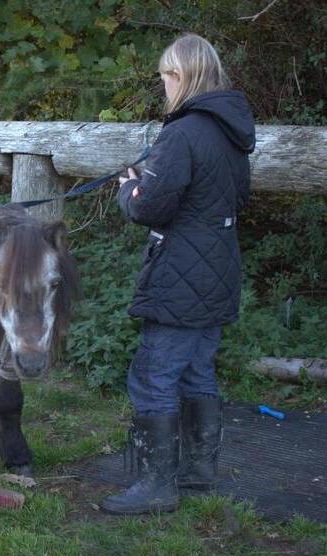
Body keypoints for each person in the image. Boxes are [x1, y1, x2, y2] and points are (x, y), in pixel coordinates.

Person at [101, 33, 256, 515]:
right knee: (196, 369)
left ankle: (156, 486)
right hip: (220, 265)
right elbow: (237, 197)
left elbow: (153, 207)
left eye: (168, 75)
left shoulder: (182, 133)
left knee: (153, 375)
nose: (164, 84)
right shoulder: (233, 132)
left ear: (184, 76)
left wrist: (129, 190)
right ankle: (197, 471)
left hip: (182, 270)